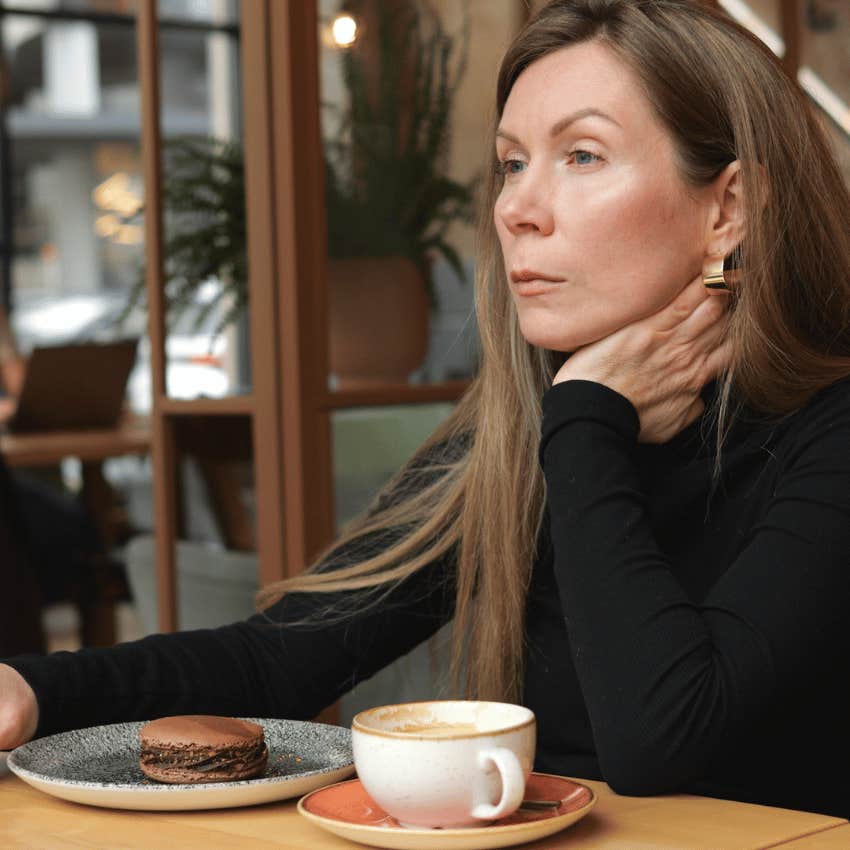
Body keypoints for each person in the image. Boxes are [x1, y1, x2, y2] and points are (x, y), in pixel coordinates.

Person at [3, 0, 850, 817]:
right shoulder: (529, 431)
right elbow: (284, 658)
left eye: (583, 156)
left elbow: (662, 745)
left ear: (729, 207)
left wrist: (587, 423)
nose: (516, 208)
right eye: (512, 163)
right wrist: (35, 691)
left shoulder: (827, 436)